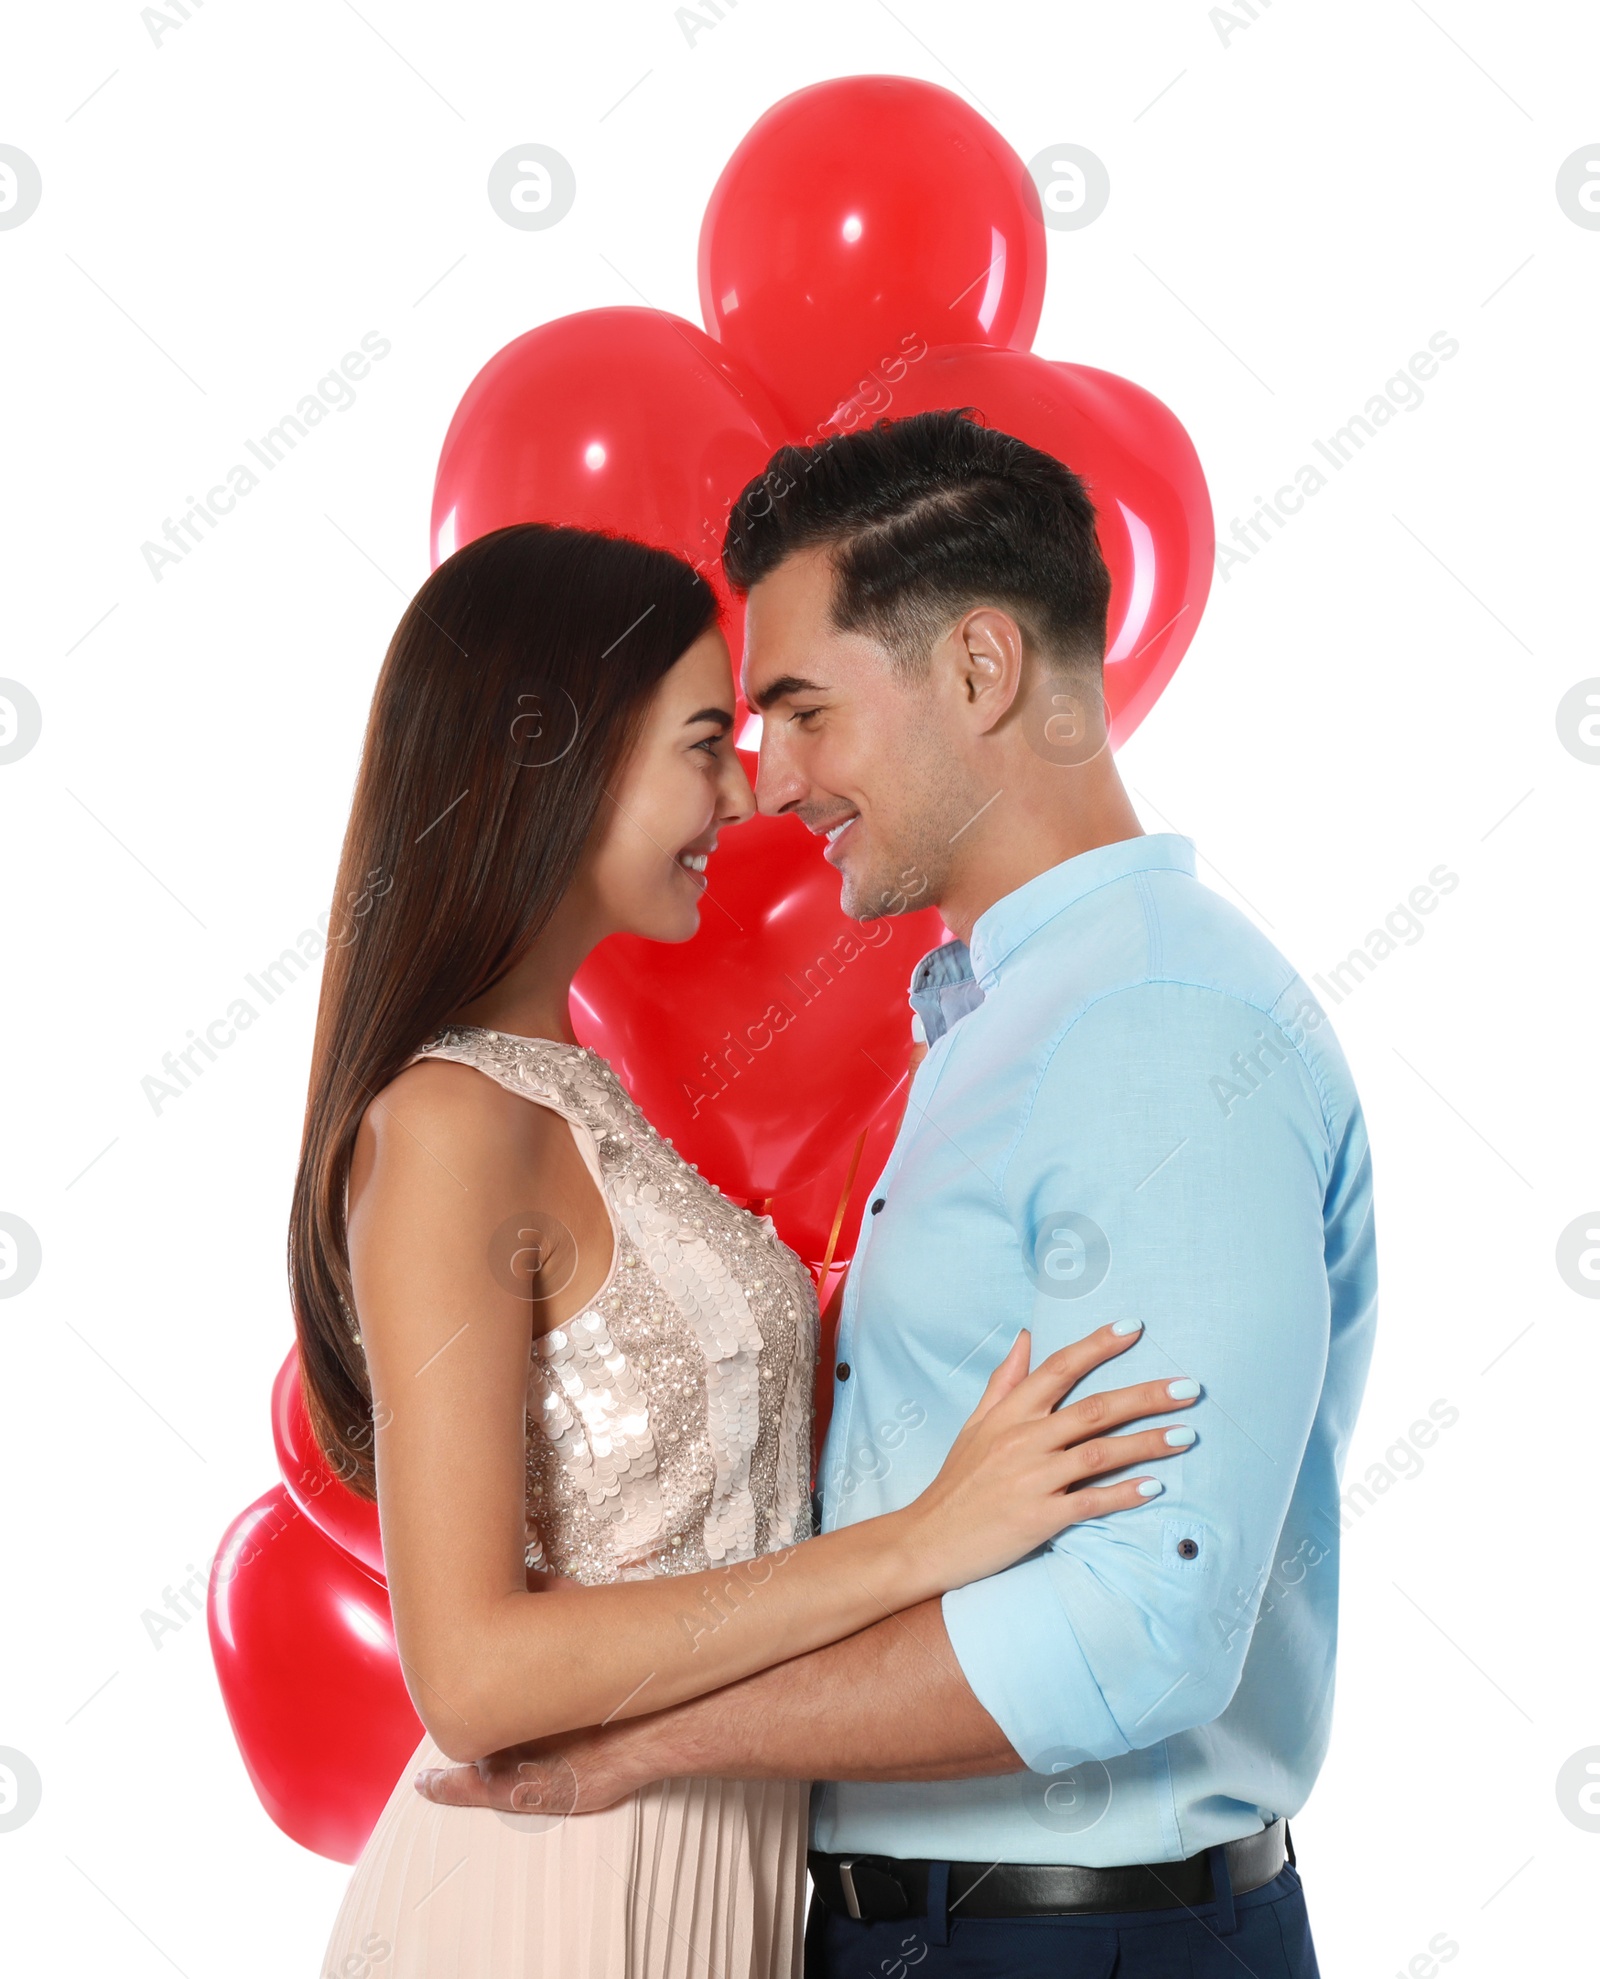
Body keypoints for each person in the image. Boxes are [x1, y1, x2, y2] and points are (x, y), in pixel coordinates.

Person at [420, 412, 1379, 1979]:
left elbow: (1144, 1633)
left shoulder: (1151, 1028)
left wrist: (655, 1746)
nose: (769, 783)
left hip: (1078, 1949)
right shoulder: (1007, 1017)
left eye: (802, 712)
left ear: (982, 670)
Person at [300, 520, 1202, 1978]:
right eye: (706, 742)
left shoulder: (583, 1095)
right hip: (549, 1898)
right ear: (556, 755)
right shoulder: (452, 1123)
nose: (748, 793)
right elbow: (469, 1674)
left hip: (724, 1868)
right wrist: (924, 1544)